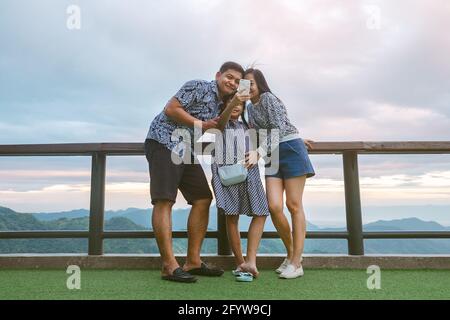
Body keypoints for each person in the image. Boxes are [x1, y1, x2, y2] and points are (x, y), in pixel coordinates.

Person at [144, 62, 245, 283]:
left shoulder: (221, 103)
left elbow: (218, 127)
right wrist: (200, 123)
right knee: (164, 200)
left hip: (185, 148)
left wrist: (234, 104)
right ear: (218, 75)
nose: (232, 82)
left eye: (237, 81)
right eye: (229, 77)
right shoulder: (198, 86)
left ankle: (193, 262)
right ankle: (169, 266)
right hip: (163, 141)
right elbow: (171, 109)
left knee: (202, 198)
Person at [244, 68, 315, 279]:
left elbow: (278, 128)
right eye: (244, 84)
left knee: (294, 205)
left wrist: (294, 139)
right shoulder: (249, 107)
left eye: (251, 83)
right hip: (272, 156)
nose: (248, 88)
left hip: (290, 150)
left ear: (260, 84)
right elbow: (260, 133)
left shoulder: (268, 98)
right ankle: (293, 255)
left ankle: (296, 262)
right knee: (274, 206)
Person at [211, 99, 269, 280]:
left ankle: (251, 260)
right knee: (231, 216)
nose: (237, 106)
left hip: (249, 172)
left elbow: (270, 137)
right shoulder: (218, 122)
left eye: (240, 104)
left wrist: (299, 139)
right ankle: (240, 263)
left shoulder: (248, 125)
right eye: (231, 103)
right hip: (227, 173)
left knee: (261, 212)